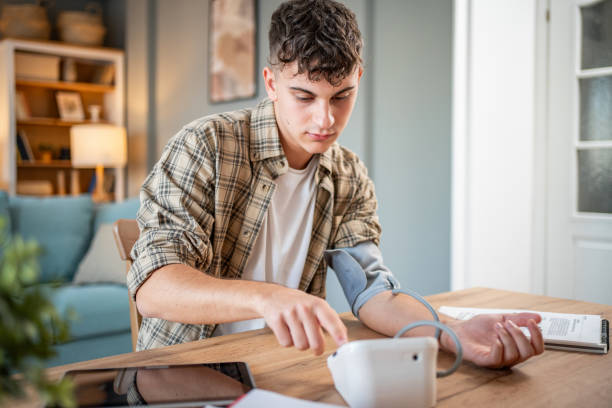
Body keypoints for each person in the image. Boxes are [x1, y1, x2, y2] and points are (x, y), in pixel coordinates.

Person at [128, 0, 544, 368]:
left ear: (358, 78)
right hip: (181, 373)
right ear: (272, 84)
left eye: (341, 96)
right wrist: (268, 297)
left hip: (281, 369)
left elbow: (372, 294)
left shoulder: (348, 175)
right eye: (304, 97)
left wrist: (456, 332)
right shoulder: (205, 145)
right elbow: (154, 287)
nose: (325, 121)